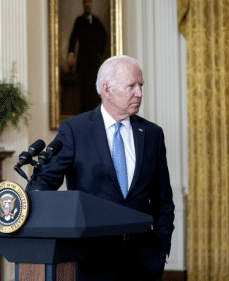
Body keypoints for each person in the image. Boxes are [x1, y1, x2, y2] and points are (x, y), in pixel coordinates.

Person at [29, 55, 174, 280]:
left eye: (141, 86)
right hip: (91, 261)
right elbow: (45, 181)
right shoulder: (75, 130)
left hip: (143, 261)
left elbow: (163, 199)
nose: (140, 93)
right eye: (132, 86)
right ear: (107, 89)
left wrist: (161, 247)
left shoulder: (153, 134)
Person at [67, 0, 108, 113]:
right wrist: (71, 53)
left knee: (93, 94)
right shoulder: (79, 21)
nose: (87, 4)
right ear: (82, 3)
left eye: (89, 1)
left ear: (91, 3)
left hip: (94, 64)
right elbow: (73, 39)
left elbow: (104, 36)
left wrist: (99, 52)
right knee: (84, 94)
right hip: (83, 64)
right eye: (85, 2)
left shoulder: (96, 21)